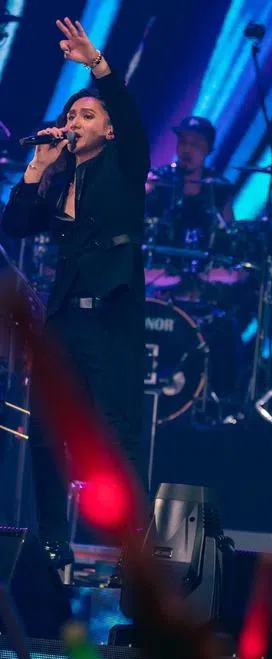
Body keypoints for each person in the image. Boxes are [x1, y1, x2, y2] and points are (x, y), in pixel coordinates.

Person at [0, 18, 148, 569]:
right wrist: (38, 164)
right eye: (70, 116)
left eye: (87, 115)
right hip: (64, 320)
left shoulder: (125, 166)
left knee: (116, 431)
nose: (74, 122)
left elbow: (129, 117)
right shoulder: (58, 179)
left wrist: (96, 65)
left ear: (107, 131)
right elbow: (15, 223)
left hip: (111, 314)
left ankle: (136, 546)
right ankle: (51, 542)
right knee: (43, 431)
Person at [144, 115, 237, 291]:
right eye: (182, 142)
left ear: (208, 149)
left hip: (201, 274)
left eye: (195, 145)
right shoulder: (158, 180)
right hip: (158, 270)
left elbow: (231, 235)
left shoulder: (218, 189)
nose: (186, 149)